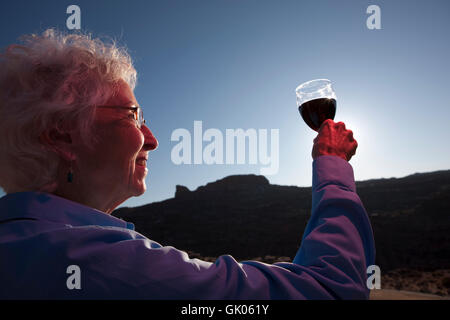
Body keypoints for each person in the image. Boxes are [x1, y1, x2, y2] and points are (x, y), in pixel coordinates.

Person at [0, 29, 375, 300]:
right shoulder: (101, 262)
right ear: (62, 135)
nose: (152, 138)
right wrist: (333, 164)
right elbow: (329, 290)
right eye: (132, 115)